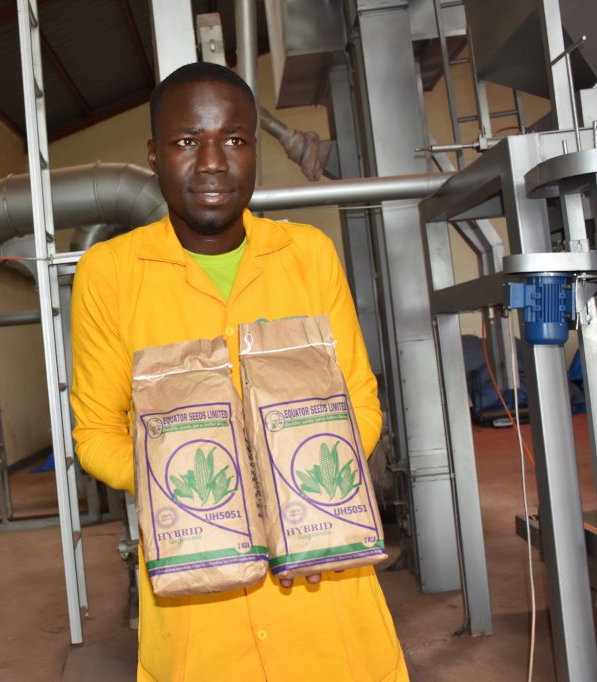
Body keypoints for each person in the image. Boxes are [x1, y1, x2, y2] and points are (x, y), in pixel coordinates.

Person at [70, 62, 408, 681]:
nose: (212, 163)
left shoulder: (307, 255)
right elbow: (95, 434)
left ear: (255, 147)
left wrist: (290, 483)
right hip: (201, 615)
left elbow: (361, 402)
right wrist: (206, 490)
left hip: (325, 600)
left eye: (233, 139)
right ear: (153, 154)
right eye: (185, 142)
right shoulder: (110, 274)